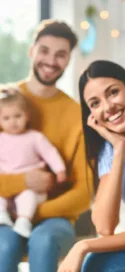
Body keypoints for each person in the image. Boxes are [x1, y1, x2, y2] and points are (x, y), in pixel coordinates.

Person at [58, 60, 125, 272]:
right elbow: (104, 226)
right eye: (95, 103)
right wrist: (119, 149)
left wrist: (83, 245)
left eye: (113, 92)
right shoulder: (110, 151)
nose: (108, 107)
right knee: (95, 264)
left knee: (95, 262)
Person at [0, 20, 92, 272]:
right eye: (44, 50)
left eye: (61, 54)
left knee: (44, 240)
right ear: (31, 51)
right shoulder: (3, 102)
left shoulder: (77, 115)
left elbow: (85, 192)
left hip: (55, 218)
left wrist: (31, 212)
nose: (51, 61)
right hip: (4, 212)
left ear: (68, 60)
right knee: (3, 244)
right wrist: (24, 184)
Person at [0, 88, 67, 238]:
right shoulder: (1, 139)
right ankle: (2, 215)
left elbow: (50, 153)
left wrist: (60, 170)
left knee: (28, 196)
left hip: (33, 186)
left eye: (18, 116)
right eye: (6, 118)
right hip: (7, 190)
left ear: (27, 116)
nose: (13, 122)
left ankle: (24, 222)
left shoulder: (35, 137)